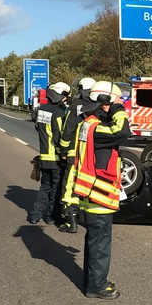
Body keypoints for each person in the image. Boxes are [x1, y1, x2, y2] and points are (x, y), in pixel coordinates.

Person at [62, 80, 131, 300]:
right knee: (100, 245)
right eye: (118, 101)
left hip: (90, 193)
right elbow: (122, 132)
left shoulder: (89, 123)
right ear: (105, 102)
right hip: (98, 196)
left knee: (94, 242)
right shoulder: (97, 128)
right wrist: (118, 109)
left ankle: (93, 281)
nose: (122, 104)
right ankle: (97, 287)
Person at [57, 76, 96, 233]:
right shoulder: (101, 105)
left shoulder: (76, 105)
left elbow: (68, 129)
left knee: (70, 187)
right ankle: (90, 218)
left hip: (75, 154)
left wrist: (63, 151)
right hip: (93, 156)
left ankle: (70, 221)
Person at [28, 81, 70, 225]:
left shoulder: (41, 110)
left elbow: (37, 128)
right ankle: (52, 217)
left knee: (45, 186)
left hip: (44, 156)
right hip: (56, 158)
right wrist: (63, 154)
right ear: (62, 96)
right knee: (56, 188)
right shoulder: (59, 113)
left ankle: (34, 215)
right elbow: (59, 135)